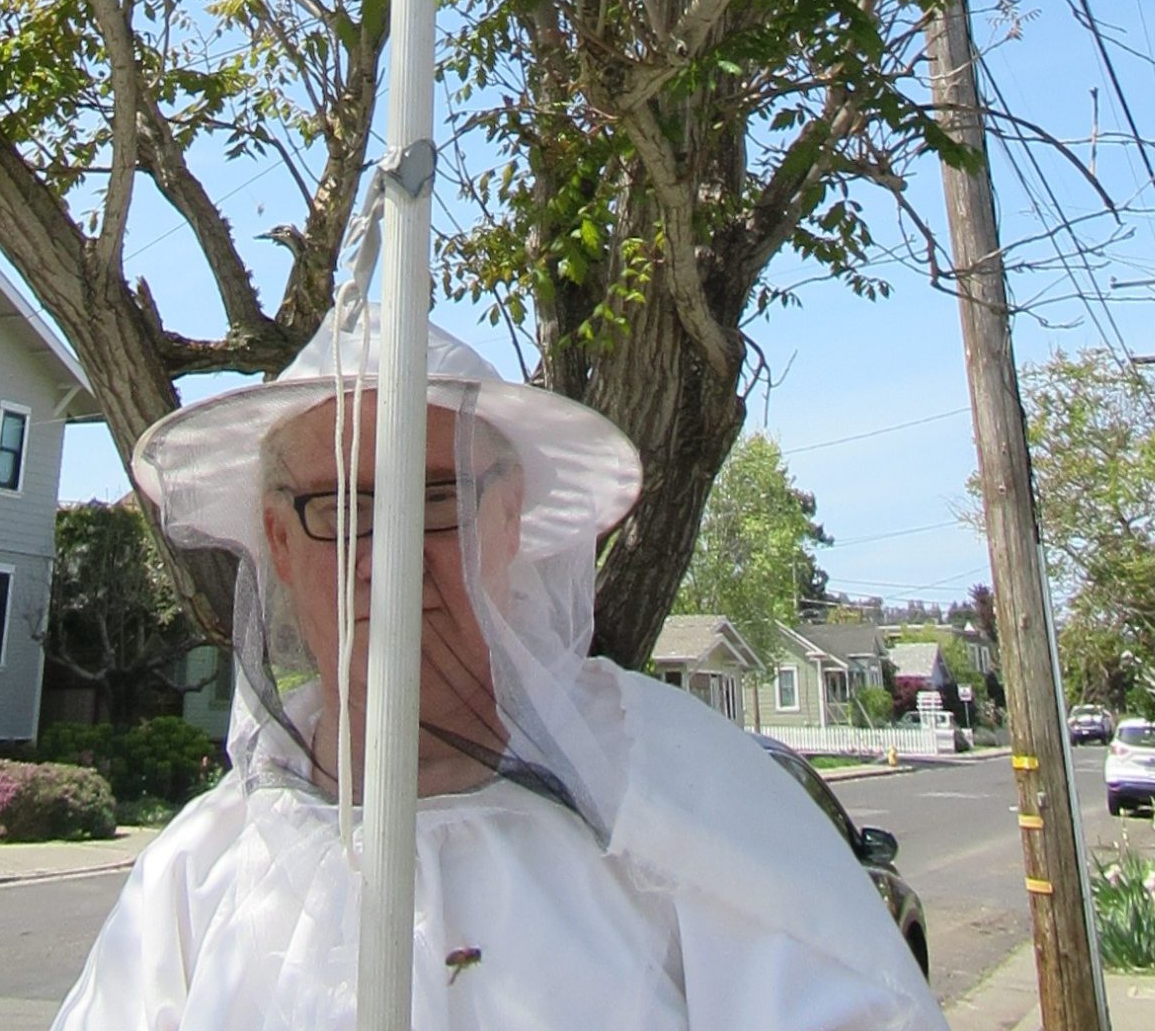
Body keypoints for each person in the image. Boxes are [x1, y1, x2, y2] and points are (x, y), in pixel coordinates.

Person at [52, 307, 946, 1031]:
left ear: (510, 520)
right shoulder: (201, 872)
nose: (388, 555)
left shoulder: (684, 804)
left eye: (434, 499)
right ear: (280, 544)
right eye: (340, 509)